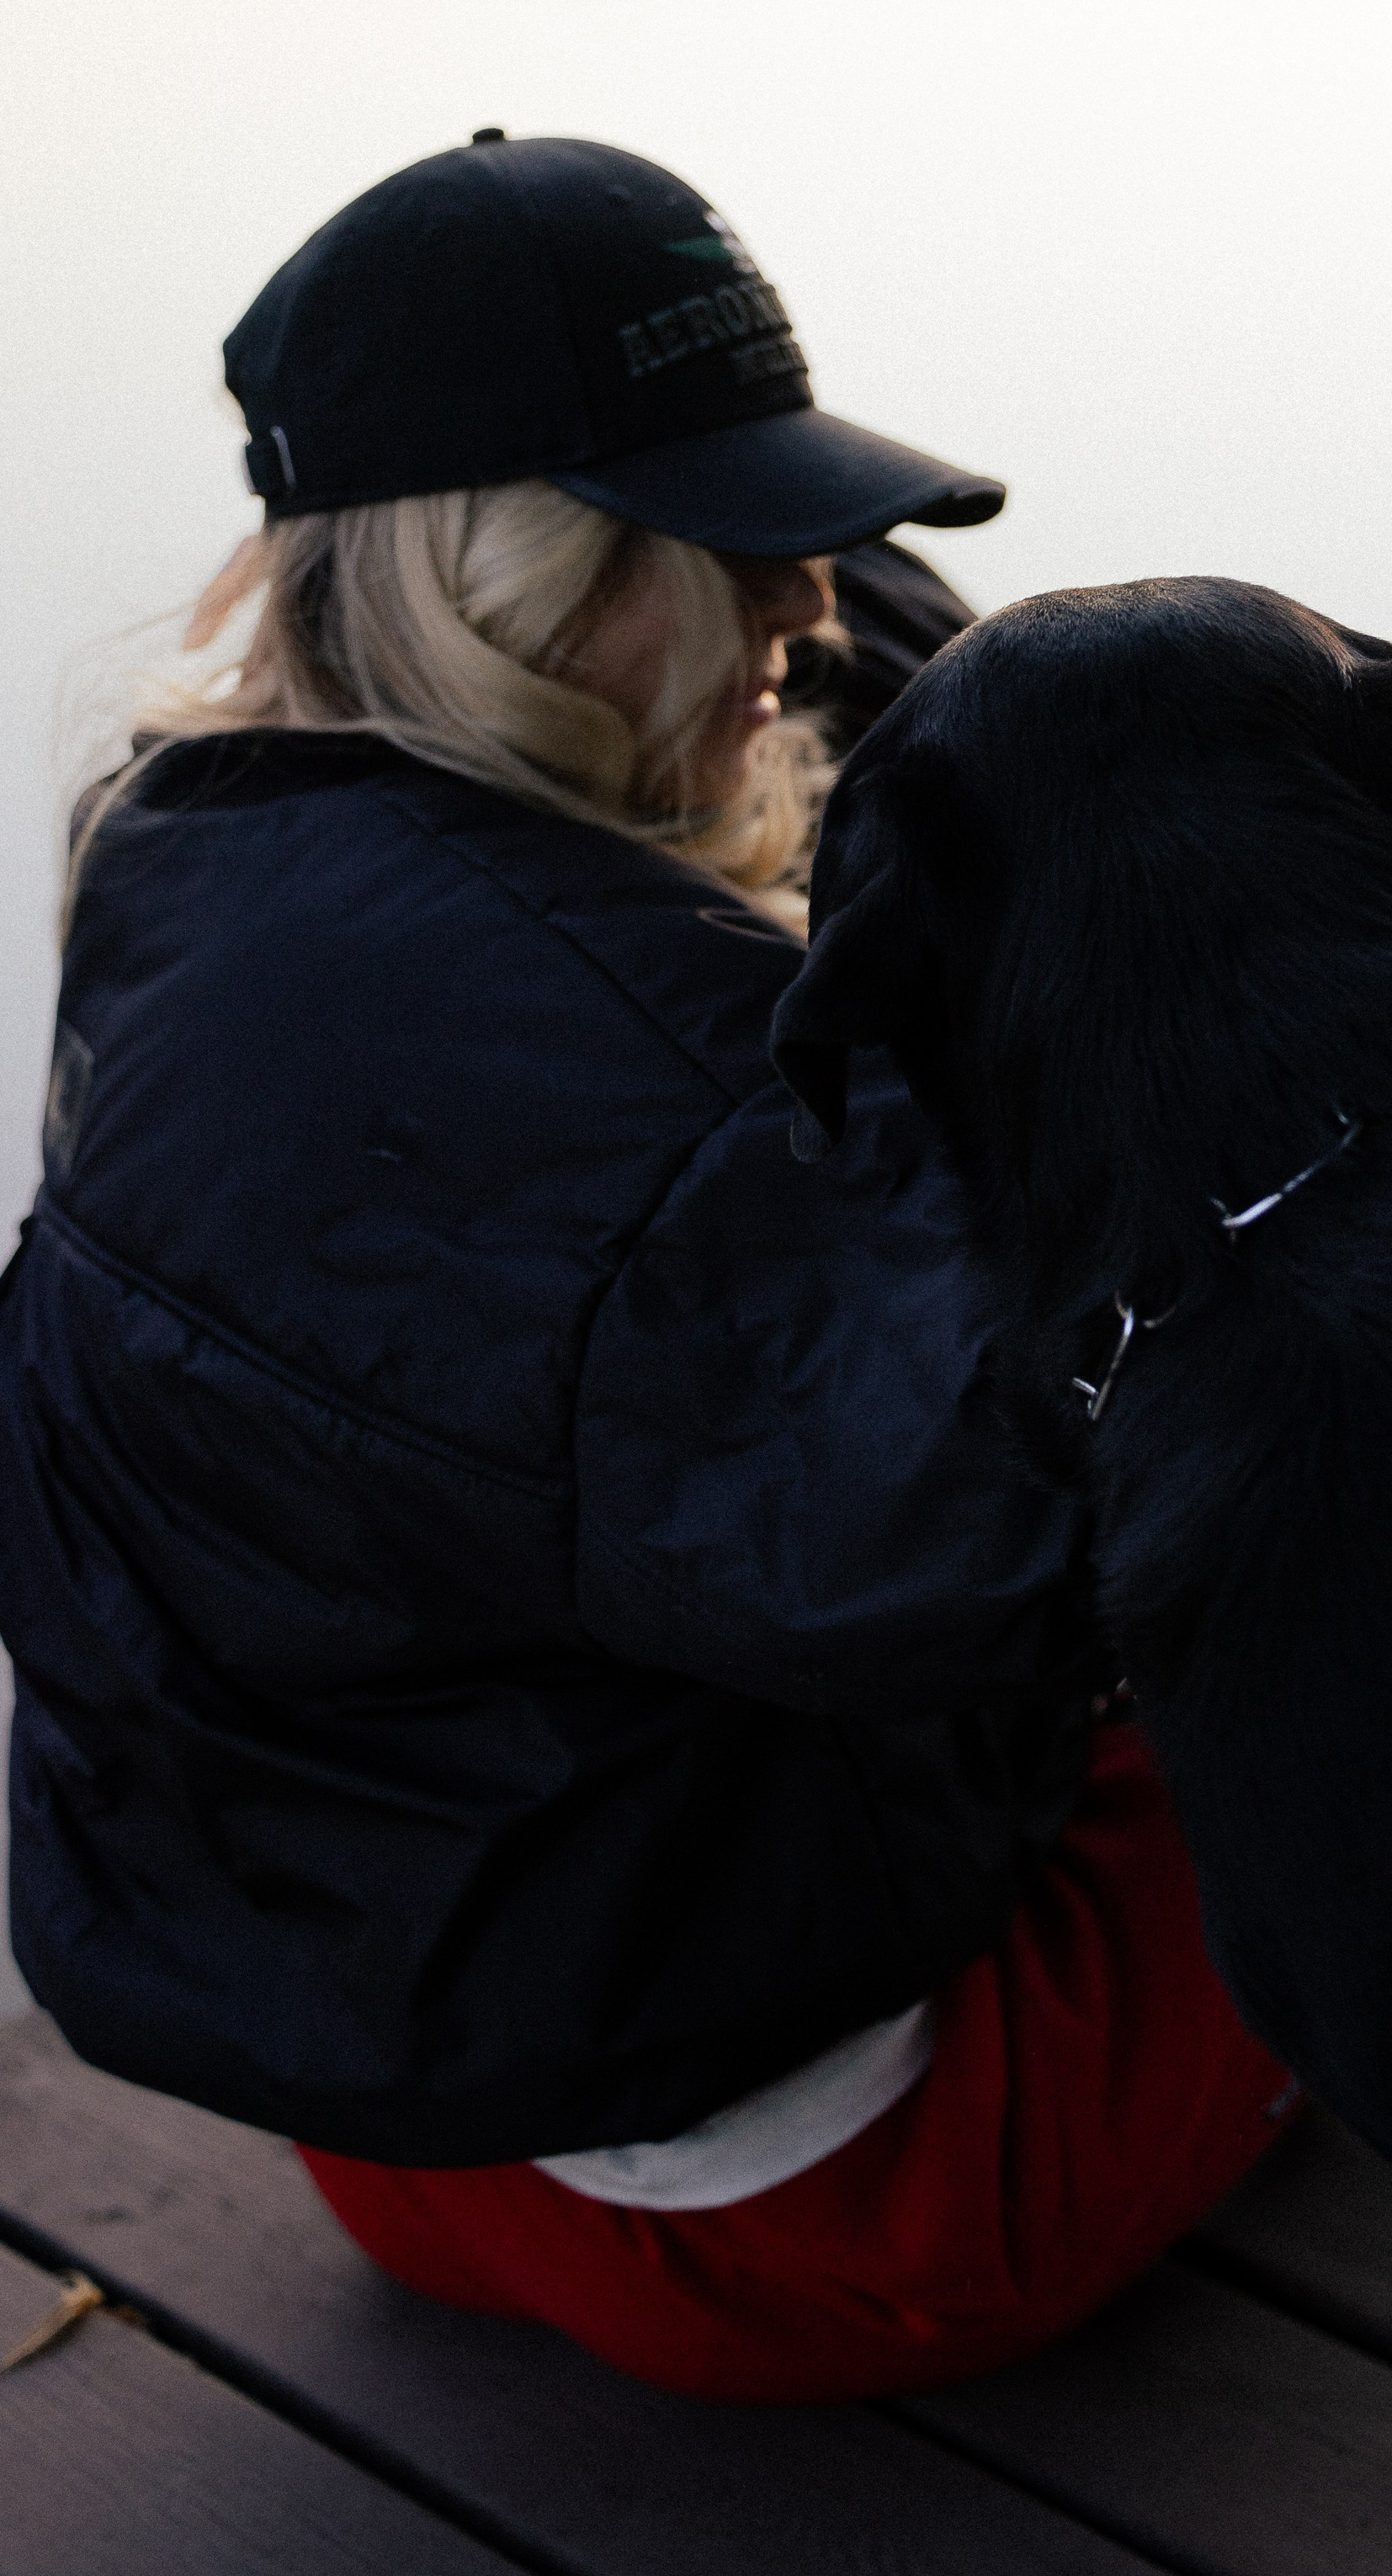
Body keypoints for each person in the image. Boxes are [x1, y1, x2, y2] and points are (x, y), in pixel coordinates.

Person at [0, 135, 1293, 2403]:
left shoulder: (176, 864)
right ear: (532, 576)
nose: (806, 611)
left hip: (404, 2134)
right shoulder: (664, 1113)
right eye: (742, 551)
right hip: (838, 2203)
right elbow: (1058, 1559)